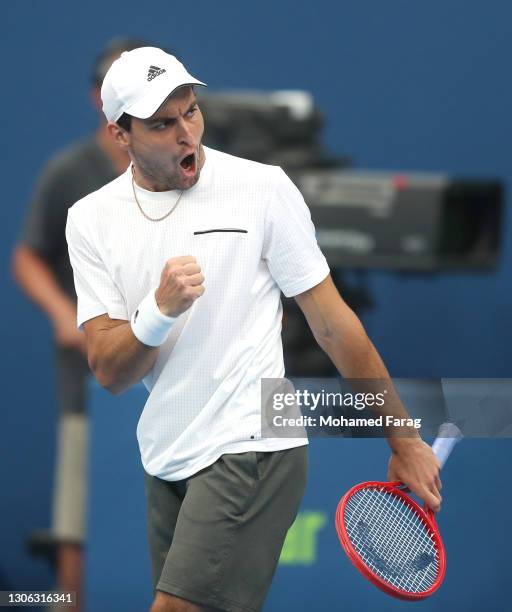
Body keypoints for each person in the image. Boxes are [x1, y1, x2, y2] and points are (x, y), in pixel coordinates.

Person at [65, 47, 442, 612]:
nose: (185, 134)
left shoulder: (262, 189)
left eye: (190, 113)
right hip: (166, 454)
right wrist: (159, 310)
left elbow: (333, 324)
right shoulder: (90, 219)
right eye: (162, 125)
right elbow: (109, 371)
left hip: (253, 442)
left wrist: (404, 437)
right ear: (121, 135)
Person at [11, 38, 148, 611]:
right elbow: (27, 255)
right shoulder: (69, 173)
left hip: (164, 368)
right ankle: (68, 604)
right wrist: (66, 316)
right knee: (80, 504)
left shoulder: (178, 168)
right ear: (99, 98)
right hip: (90, 370)